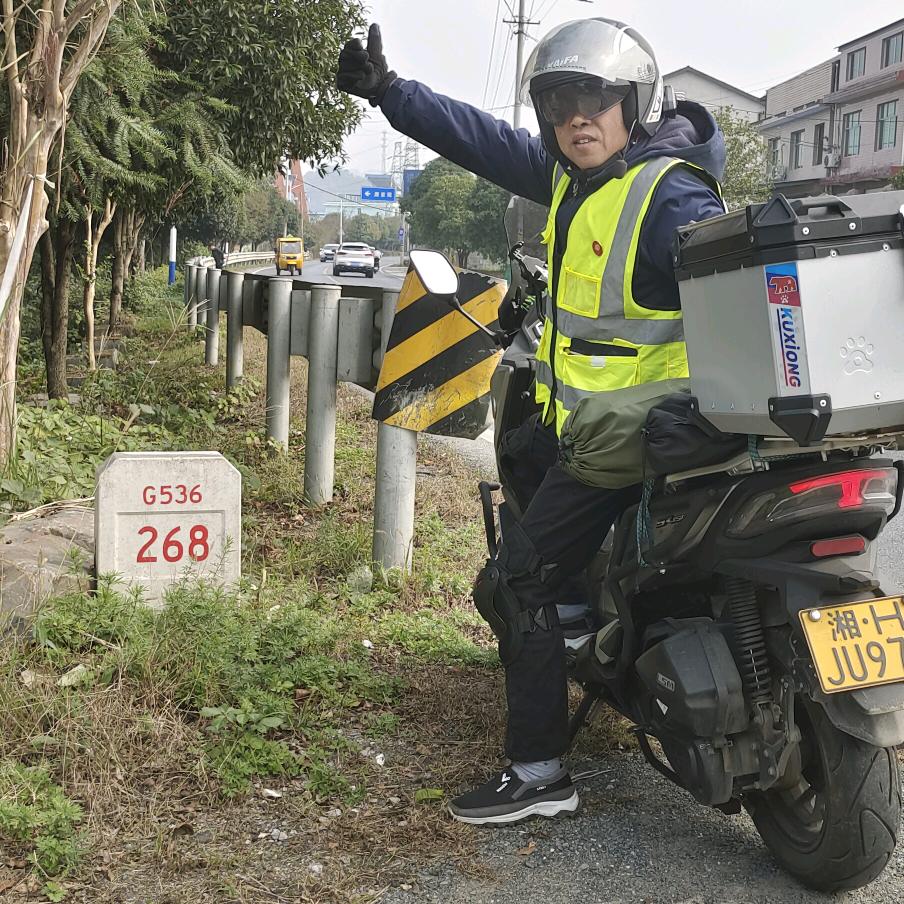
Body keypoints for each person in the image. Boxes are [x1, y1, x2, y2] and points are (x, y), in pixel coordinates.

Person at [337, 18, 726, 825]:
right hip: (597, 425)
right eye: (559, 101)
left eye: (597, 98)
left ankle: (541, 772)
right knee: (520, 444)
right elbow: (479, 138)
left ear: (634, 103)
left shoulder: (668, 194)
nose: (577, 115)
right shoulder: (573, 179)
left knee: (512, 581)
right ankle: (583, 625)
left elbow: (747, 304)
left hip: (638, 440)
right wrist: (389, 94)